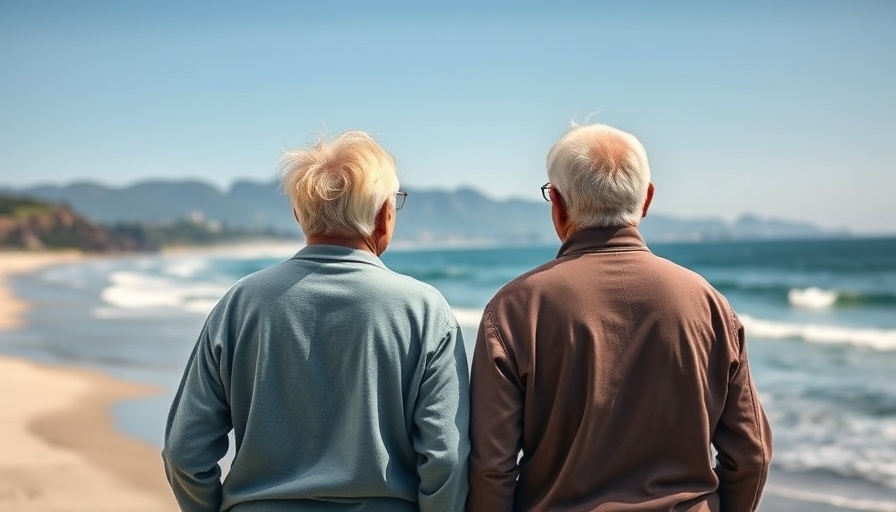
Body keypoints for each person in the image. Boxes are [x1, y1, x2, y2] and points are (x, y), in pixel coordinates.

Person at [468, 123, 772, 511]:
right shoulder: (709, 304)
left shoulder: (515, 308)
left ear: (557, 204)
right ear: (646, 199)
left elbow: (491, 468)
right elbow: (751, 454)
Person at [163, 130, 470, 512]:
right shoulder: (425, 310)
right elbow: (446, 457)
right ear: (383, 215)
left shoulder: (240, 304)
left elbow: (183, 452)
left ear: (298, 215)